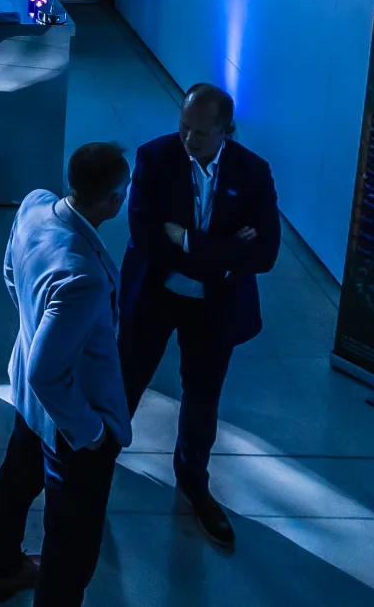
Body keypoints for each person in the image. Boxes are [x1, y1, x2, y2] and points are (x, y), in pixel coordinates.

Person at [118, 82, 281, 549]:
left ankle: (193, 483)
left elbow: (266, 253)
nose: (189, 139)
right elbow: (147, 238)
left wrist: (189, 241)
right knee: (125, 381)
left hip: (215, 307)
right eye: (184, 127)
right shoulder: (154, 158)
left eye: (201, 133)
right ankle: (95, 463)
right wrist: (225, 252)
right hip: (154, 296)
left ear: (226, 130)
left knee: (203, 398)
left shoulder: (253, 172)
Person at [0, 141, 133, 606]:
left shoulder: (34, 205)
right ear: (114, 200)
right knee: (71, 543)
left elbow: (10, 273)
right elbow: (47, 373)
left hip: (28, 403)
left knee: (15, 482)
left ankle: (3, 569)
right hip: (72, 422)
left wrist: (34, 326)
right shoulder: (83, 275)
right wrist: (91, 432)